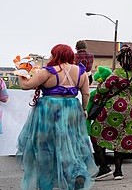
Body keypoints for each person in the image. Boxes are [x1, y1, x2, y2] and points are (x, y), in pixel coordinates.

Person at [17, 44, 95, 190]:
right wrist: (84, 109)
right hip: (72, 110)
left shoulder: (48, 72)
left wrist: (22, 73)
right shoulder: (81, 72)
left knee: (45, 149)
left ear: (56, 55)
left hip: (48, 111)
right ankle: (75, 173)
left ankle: (46, 184)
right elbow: (86, 93)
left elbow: (26, 85)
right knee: (71, 145)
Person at [89, 46, 132, 181]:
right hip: (131, 108)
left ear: (120, 60)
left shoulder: (116, 74)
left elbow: (102, 90)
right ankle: (118, 171)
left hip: (113, 106)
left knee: (96, 133)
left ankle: (104, 167)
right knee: (121, 137)